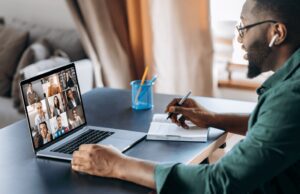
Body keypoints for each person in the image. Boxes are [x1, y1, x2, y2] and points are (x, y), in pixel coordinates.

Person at [71, 0, 300, 193]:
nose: (240, 40)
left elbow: (219, 182)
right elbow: (275, 127)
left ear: (277, 33)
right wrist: (212, 118)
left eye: (244, 28)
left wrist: (117, 165)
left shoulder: (290, 96)